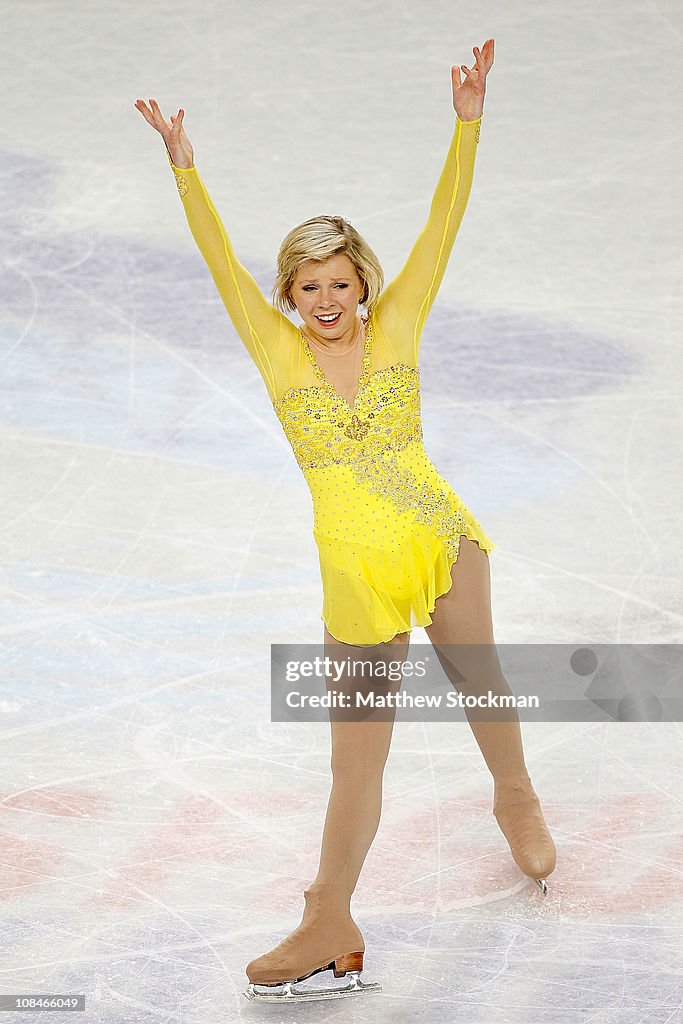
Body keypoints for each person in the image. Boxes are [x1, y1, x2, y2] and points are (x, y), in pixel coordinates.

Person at [135, 36, 556, 1004]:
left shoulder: (399, 321)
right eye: (306, 285)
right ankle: (331, 917)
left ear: (362, 281)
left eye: (340, 281)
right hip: (354, 580)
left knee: (481, 685)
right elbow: (218, 270)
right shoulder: (278, 355)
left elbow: (442, 227)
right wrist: (187, 174)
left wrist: (467, 125)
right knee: (351, 764)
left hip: (438, 544)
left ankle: (514, 793)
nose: (326, 300)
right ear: (289, 294)